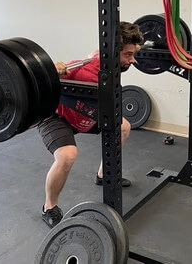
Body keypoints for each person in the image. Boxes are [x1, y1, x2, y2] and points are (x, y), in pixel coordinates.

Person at [38, 21, 144, 228]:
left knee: (123, 127)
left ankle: (104, 174)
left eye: (134, 53)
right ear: (113, 53)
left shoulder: (106, 62)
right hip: (59, 116)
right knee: (67, 156)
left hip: (86, 115)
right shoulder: (82, 70)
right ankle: (49, 206)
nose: (133, 60)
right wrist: (50, 70)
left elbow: (95, 52)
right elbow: (44, 79)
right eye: (128, 55)